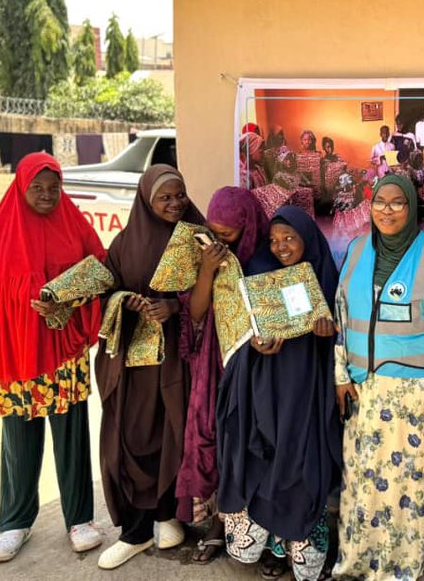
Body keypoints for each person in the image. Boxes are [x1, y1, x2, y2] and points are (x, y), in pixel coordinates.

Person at [333, 175, 424, 581]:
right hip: (364, 391)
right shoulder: (357, 249)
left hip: (416, 396)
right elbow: (342, 316)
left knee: (409, 484)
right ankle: (361, 560)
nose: (388, 210)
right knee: (363, 481)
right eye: (381, 202)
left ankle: (402, 561)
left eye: (398, 203)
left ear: (412, 207)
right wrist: (341, 375)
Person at [0, 153, 106, 562]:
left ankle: (80, 519)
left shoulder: (74, 224)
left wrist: (66, 300)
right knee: (19, 438)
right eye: (37, 188)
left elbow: (101, 271)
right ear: (21, 187)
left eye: (54, 187)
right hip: (19, 354)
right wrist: (26, 302)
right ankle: (15, 523)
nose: (47, 196)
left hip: (64, 352)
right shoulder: (0, 233)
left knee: (71, 435)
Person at [218, 206, 343, 580]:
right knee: (268, 456)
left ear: (307, 237)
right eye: (273, 240)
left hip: (308, 386)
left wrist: (328, 333)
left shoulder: (324, 275)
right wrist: (253, 343)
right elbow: (238, 330)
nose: (281, 247)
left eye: (289, 238)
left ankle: (304, 547)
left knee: (303, 457)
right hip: (267, 384)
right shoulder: (260, 271)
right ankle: (274, 547)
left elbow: (343, 337)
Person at [96, 165, 205, 570]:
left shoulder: (198, 235)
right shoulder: (125, 244)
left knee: (174, 429)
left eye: (180, 195)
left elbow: (219, 289)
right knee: (134, 432)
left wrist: (175, 306)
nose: (175, 204)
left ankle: (168, 514)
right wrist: (126, 300)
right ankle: (136, 529)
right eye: (165, 198)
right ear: (146, 199)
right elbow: (107, 288)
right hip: (135, 362)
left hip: (181, 357)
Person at [179, 187, 271, 564]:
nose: (219, 241)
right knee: (216, 438)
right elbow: (197, 313)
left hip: (260, 366)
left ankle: (264, 532)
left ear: (247, 226)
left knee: (256, 442)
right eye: (213, 232)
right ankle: (219, 522)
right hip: (217, 363)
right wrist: (207, 270)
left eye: (228, 234)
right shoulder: (211, 258)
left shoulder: (268, 256)